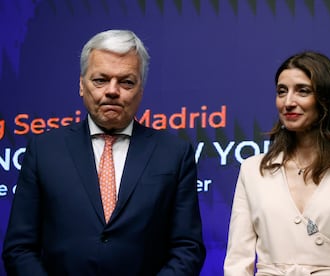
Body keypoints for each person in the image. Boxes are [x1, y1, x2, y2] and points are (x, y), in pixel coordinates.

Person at [2, 29, 206, 275]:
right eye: (100, 80)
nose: (112, 90)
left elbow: (188, 248)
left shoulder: (174, 153)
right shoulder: (44, 150)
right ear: (81, 85)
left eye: (126, 81)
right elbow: (19, 248)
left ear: (141, 90)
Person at [223, 51, 330, 276]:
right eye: (281, 91)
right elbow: (237, 261)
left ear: (325, 99)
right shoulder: (252, 170)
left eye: (303, 91)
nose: (288, 102)